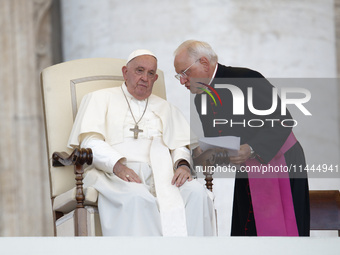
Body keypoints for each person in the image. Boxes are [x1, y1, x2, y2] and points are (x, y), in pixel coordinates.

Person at [67, 49, 216, 236]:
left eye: (151, 73)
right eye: (139, 70)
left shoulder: (167, 108)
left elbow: (180, 146)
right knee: (138, 198)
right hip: (114, 174)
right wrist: (118, 166)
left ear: (155, 79)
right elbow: (90, 141)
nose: (145, 77)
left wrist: (183, 165)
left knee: (196, 193)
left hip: (164, 175)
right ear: (125, 72)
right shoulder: (99, 98)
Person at [173, 40, 310, 236]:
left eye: (185, 73)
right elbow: (219, 143)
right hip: (248, 170)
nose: (182, 81)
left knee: (282, 234)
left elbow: (283, 120)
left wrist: (252, 148)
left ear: (204, 63)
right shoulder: (201, 99)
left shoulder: (246, 78)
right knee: (248, 232)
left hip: (281, 164)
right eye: (179, 75)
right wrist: (199, 157)